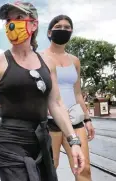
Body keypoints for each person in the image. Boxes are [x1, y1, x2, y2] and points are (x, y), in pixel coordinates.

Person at [0, 2, 85, 181]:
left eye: (18, 18)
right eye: (9, 19)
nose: (11, 24)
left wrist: (74, 141)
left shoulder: (48, 63)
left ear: (34, 25)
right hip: (9, 141)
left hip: (41, 140)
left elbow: (56, 103)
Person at [44, 15, 95, 181]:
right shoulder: (40, 57)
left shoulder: (75, 60)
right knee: (50, 168)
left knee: (84, 168)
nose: (63, 30)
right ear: (50, 32)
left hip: (74, 119)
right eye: (59, 26)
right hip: (50, 121)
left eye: (67, 27)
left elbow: (77, 92)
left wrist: (87, 119)